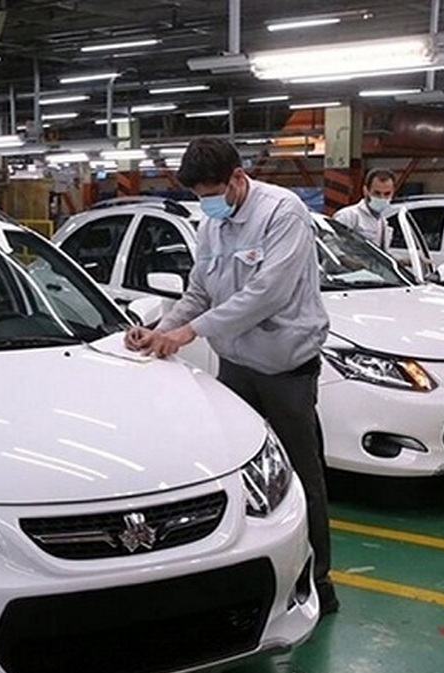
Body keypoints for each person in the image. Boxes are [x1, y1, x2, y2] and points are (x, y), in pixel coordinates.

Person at [124, 136, 338, 615]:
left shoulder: (282, 213)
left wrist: (190, 333)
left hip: (285, 366)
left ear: (238, 178)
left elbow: (268, 293)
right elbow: (200, 291)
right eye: (200, 197)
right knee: (235, 472)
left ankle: (319, 580)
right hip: (237, 365)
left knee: (299, 475)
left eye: (212, 193)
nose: (208, 204)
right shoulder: (212, 224)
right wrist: (162, 329)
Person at [333, 168, 397, 248]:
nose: (382, 198)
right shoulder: (348, 216)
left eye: (387, 194)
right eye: (377, 193)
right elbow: (333, 246)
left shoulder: (383, 222)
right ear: (366, 191)